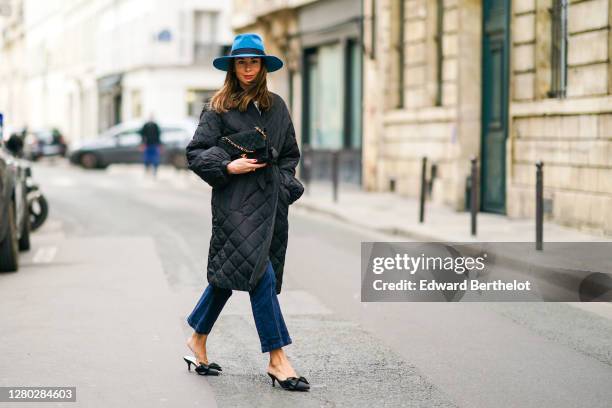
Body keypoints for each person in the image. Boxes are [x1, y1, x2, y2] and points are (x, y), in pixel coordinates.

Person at [183, 33, 308, 391]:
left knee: (230, 273)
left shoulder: (277, 107)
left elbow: (289, 155)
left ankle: (197, 340)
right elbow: (196, 153)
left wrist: (283, 186)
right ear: (233, 67)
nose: (248, 68)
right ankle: (277, 359)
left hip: (270, 206)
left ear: (263, 66)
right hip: (234, 205)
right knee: (259, 274)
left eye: (254, 62)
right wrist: (227, 167)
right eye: (242, 62)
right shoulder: (218, 107)